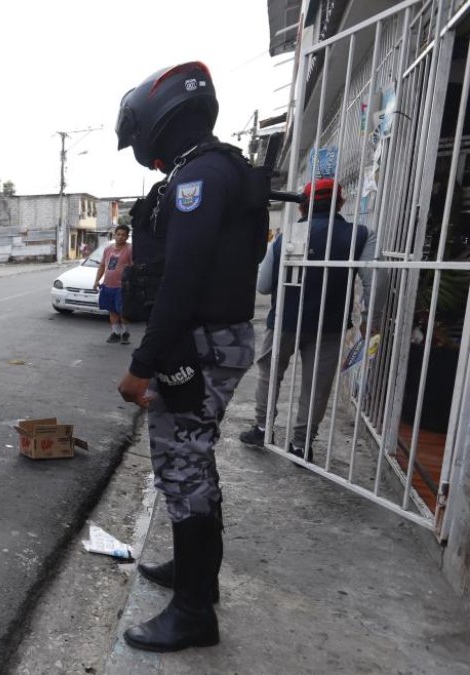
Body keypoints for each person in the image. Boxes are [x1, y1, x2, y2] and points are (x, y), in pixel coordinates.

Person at [114, 61, 268, 652]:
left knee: (183, 468)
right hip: (214, 340)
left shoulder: (197, 178)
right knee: (194, 466)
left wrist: (143, 365)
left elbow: (181, 279)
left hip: (198, 346)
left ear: (158, 120)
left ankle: (194, 612)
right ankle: (191, 576)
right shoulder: (222, 166)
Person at [239, 179, 378, 461]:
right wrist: (370, 318)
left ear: (302, 206)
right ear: (341, 203)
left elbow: (264, 285)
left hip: (285, 320)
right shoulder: (360, 235)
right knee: (317, 383)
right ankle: (302, 445)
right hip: (330, 323)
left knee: (270, 373)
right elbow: (376, 281)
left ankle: (263, 429)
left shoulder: (286, 235)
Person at [93, 224, 134, 344]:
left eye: (123, 235)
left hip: (122, 287)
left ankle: (125, 333)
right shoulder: (108, 249)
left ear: (127, 237)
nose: (120, 237)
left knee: (123, 312)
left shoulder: (130, 249)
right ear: (114, 235)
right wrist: (97, 280)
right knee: (112, 311)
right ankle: (116, 333)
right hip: (108, 286)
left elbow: (134, 267)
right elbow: (102, 266)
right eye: (118, 234)